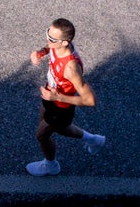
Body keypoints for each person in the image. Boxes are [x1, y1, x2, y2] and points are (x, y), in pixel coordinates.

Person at [26, 17, 105, 176]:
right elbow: (50, 48)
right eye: (47, 33)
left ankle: (51, 165)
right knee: (59, 129)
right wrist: (41, 53)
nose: (47, 39)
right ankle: (94, 140)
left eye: (52, 39)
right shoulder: (57, 46)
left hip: (61, 106)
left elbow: (90, 100)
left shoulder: (71, 68)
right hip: (50, 95)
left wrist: (57, 97)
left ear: (65, 42)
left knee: (41, 135)